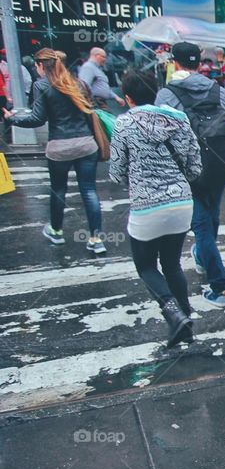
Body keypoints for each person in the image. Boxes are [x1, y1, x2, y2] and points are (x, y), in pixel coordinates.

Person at [155, 41, 225, 309]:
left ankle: (219, 287)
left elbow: (159, 140)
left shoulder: (166, 95)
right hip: (219, 167)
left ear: (175, 63)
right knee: (209, 219)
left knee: (200, 227)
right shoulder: (220, 92)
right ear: (199, 64)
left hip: (188, 171)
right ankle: (202, 256)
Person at [109, 70, 202, 346]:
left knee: (147, 266)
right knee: (172, 264)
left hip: (146, 208)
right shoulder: (180, 119)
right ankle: (185, 323)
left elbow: (116, 173)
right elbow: (195, 166)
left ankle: (174, 315)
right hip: (181, 204)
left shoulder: (123, 124)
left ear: (127, 98)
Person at [3, 48, 106, 254]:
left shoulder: (41, 85)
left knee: (59, 191)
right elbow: (89, 114)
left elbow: (37, 119)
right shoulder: (78, 84)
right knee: (89, 191)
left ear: (41, 66)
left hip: (60, 147)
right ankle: (96, 239)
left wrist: (11, 119)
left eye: (36, 66)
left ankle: (56, 232)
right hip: (86, 144)